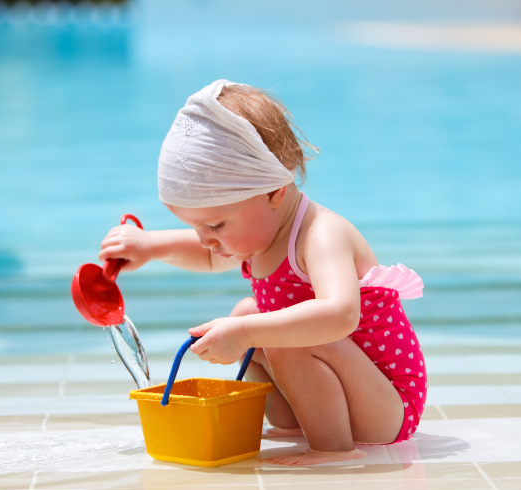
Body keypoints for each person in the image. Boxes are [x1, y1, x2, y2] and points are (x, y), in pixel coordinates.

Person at [99, 80, 426, 466]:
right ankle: (296, 425)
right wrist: (151, 246)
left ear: (274, 192)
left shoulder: (321, 235)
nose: (206, 240)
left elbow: (341, 314)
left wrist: (246, 334)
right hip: (346, 394)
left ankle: (335, 449)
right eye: (197, 226)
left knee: (267, 329)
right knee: (246, 313)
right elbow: (205, 257)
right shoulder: (259, 236)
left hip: (386, 407)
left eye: (216, 225)